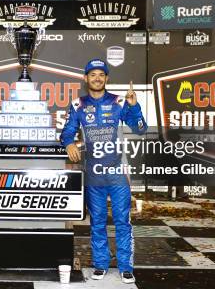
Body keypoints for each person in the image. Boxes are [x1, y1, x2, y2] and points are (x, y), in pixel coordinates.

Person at [60, 59, 147, 284]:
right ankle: (100, 264)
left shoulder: (119, 102)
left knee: (122, 221)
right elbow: (66, 132)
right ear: (85, 78)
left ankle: (126, 267)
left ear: (107, 78)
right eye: (92, 74)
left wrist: (134, 106)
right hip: (93, 174)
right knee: (97, 221)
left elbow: (140, 129)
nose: (97, 78)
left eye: (101, 74)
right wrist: (69, 143)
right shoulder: (78, 105)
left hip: (118, 173)